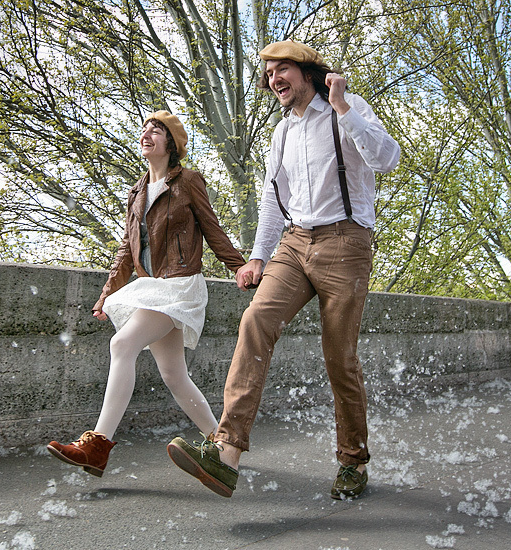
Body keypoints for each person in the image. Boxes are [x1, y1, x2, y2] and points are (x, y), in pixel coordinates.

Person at [166, 41, 400, 499]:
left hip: (345, 242)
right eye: (270, 72)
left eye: (283, 69)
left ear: (308, 72)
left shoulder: (346, 110)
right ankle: (227, 452)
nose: (274, 78)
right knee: (256, 320)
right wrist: (257, 255)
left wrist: (344, 107)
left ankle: (353, 461)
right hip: (295, 243)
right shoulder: (282, 133)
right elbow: (274, 201)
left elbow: (386, 159)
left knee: (340, 357)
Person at [47, 111, 246, 477]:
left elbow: (212, 230)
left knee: (123, 345)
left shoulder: (188, 182)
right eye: (144, 130)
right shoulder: (137, 190)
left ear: (171, 143)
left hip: (180, 286)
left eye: (156, 131)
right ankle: (221, 444)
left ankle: (98, 445)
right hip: (150, 288)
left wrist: (240, 267)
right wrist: (108, 292)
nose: (146, 134)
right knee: (174, 375)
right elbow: (127, 247)